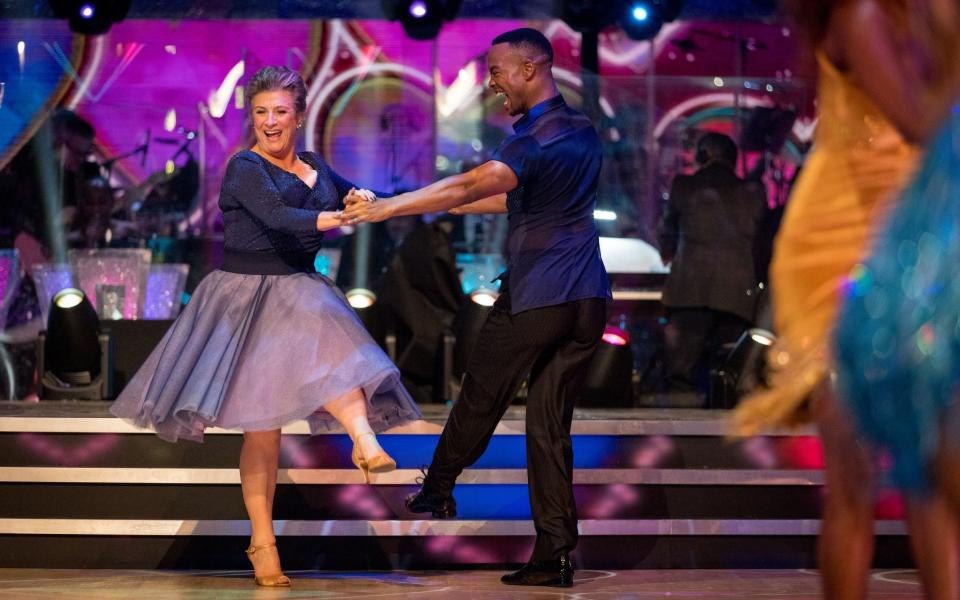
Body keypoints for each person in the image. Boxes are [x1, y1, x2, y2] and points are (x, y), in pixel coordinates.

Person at [110, 66, 421, 587]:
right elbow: (279, 218)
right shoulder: (244, 168)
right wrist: (333, 220)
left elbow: (350, 194)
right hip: (245, 299)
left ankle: (365, 442)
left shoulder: (317, 167)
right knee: (264, 431)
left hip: (297, 291)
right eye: (260, 113)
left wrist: (359, 199)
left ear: (300, 117)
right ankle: (263, 542)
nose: (270, 122)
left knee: (338, 346)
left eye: (280, 112)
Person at [341, 27, 610, 588]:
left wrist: (389, 208)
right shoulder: (580, 131)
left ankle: (438, 486)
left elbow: (469, 185)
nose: (491, 85)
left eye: (497, 72)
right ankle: (556, 551)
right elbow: (505, 195)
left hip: (541, 295)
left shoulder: (530, 139)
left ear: (531, 68)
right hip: (587, 299)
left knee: (482, 393)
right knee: (548, 426)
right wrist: (426, 204)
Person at [733, 1, 960, 598]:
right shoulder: (861, 14)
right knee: (854, 477)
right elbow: (921, 122)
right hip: (840, 247)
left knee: (934, 474)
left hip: (917, 235)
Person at [657, 132, 765, 396]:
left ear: (703, 156)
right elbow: (761, 244)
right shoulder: (753, 193)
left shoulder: (683, 185)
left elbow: (665, 232)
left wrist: (668, 253)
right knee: (730, 375)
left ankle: (678, 434)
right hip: (736, 297)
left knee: (680, 375)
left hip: (688, 293)